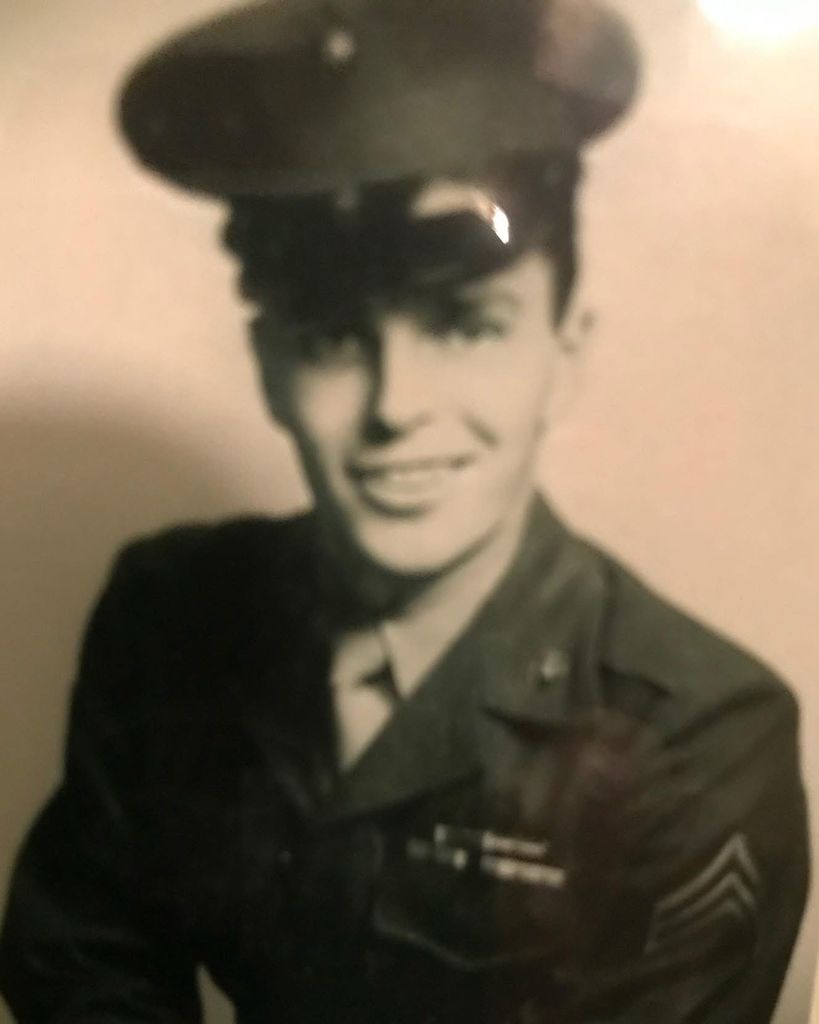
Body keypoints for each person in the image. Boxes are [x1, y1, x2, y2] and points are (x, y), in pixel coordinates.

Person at [0, 0, 809, 1021]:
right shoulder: (170, 617)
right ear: (269, 364)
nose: (398, 406)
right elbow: (83, 971)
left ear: (564, 353)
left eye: (466, 326)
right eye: (334, 338)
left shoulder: (694, 737)